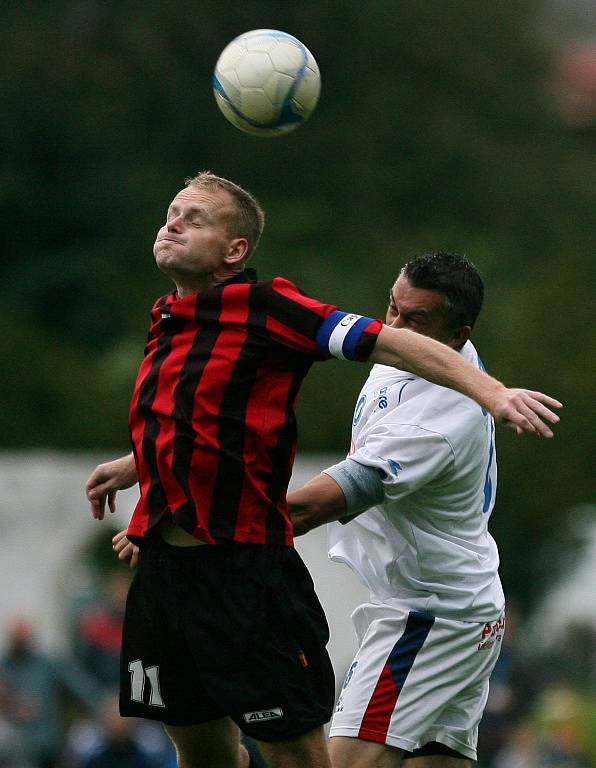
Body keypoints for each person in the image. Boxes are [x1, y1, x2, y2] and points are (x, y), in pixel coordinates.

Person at [85, 173, 561, 768]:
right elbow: (222, 412)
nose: (173, 223)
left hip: (420, 606)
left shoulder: (431, 407)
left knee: (322, 760)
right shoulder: (172, 315)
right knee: (201, 747)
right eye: (172, 212)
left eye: (195, 217)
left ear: (236, 250)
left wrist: (492, 394)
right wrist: (148, 468)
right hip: (184, 578)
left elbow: (320, 499)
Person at [286, 252, 536, 767]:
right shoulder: (413, 351)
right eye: (392, 308)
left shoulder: (442, 417)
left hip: (429, 615)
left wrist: (185, 518)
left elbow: (312, 508)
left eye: (415, 320)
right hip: (466, 607)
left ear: (457, 336)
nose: (394, 327)